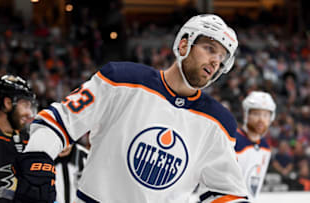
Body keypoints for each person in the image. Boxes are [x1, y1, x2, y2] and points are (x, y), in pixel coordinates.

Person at [13, 14, 249, 203]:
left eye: (222, 57)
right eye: (209, 48)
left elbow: (227, 192)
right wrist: (38, 160)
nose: (215, 61)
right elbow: (58, 122)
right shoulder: (121, 79)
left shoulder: (219, 123)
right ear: (184, 43)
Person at [234, 91, 276, 200]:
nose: (261, 120)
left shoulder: (265, 148)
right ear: (246, 115)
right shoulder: (232, 141)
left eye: (266, 115)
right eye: (256, 114)